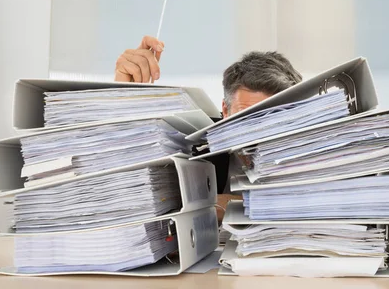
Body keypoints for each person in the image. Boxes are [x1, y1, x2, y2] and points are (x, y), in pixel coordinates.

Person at [114, 35, 302, 220]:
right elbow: (128, 191)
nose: (257, 137)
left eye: (273, 121)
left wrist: (233, 203)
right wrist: (123, 100)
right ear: (225, 112)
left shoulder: (312, 151)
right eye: (246, 119)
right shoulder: (195, 147)